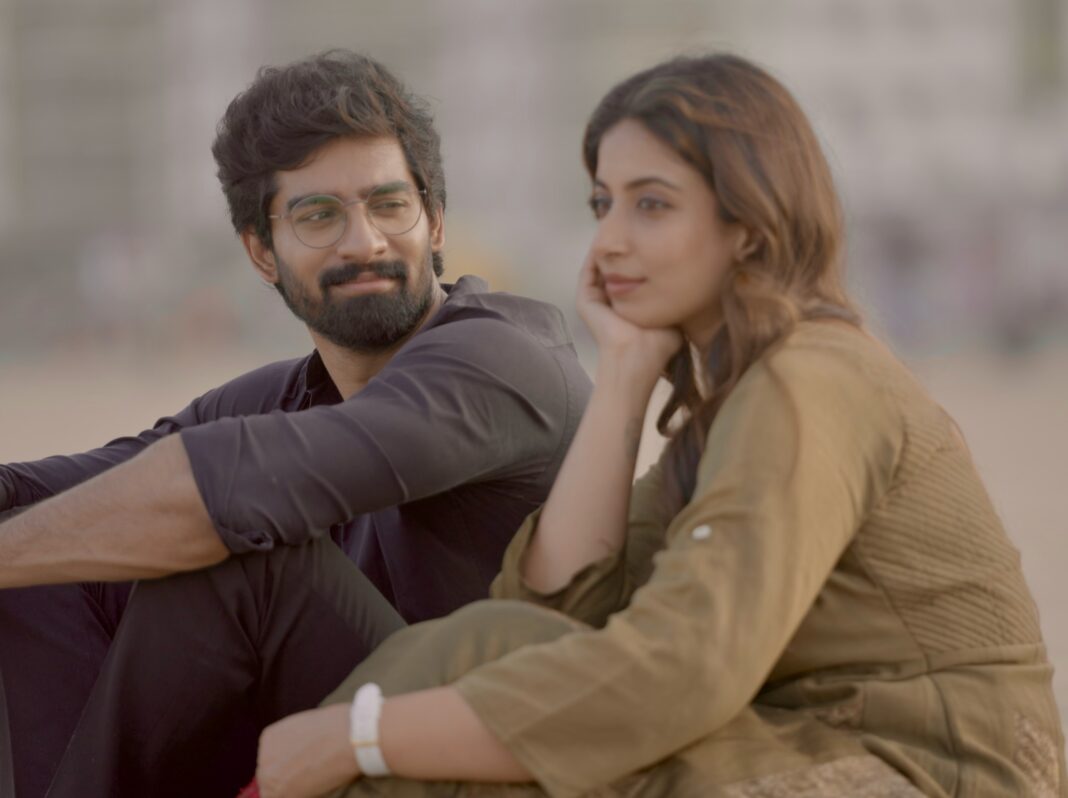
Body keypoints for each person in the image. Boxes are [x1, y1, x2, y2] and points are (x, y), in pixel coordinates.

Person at [222, 52, 1064, 796]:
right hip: (809, 739)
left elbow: (682, 670)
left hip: (931, 769)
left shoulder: (811, 381)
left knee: (453, 757)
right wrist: (623, 375)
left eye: (651, 207)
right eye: (603, 204)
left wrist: (360, 736)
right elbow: (556, 603)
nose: (609, 243)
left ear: (749, 224)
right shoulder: (738, 397)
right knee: (485, 645)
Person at [0, 51, 591, 798]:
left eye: (388, 205)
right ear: (261, 252)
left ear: (435, 221)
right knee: (52, 550)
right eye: (319, 216)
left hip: (489, 766)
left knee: (238, 561)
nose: (364, 242)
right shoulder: (284, 398)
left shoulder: (502, 361)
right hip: (343, 751)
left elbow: (219, 493)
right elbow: (61, 492)